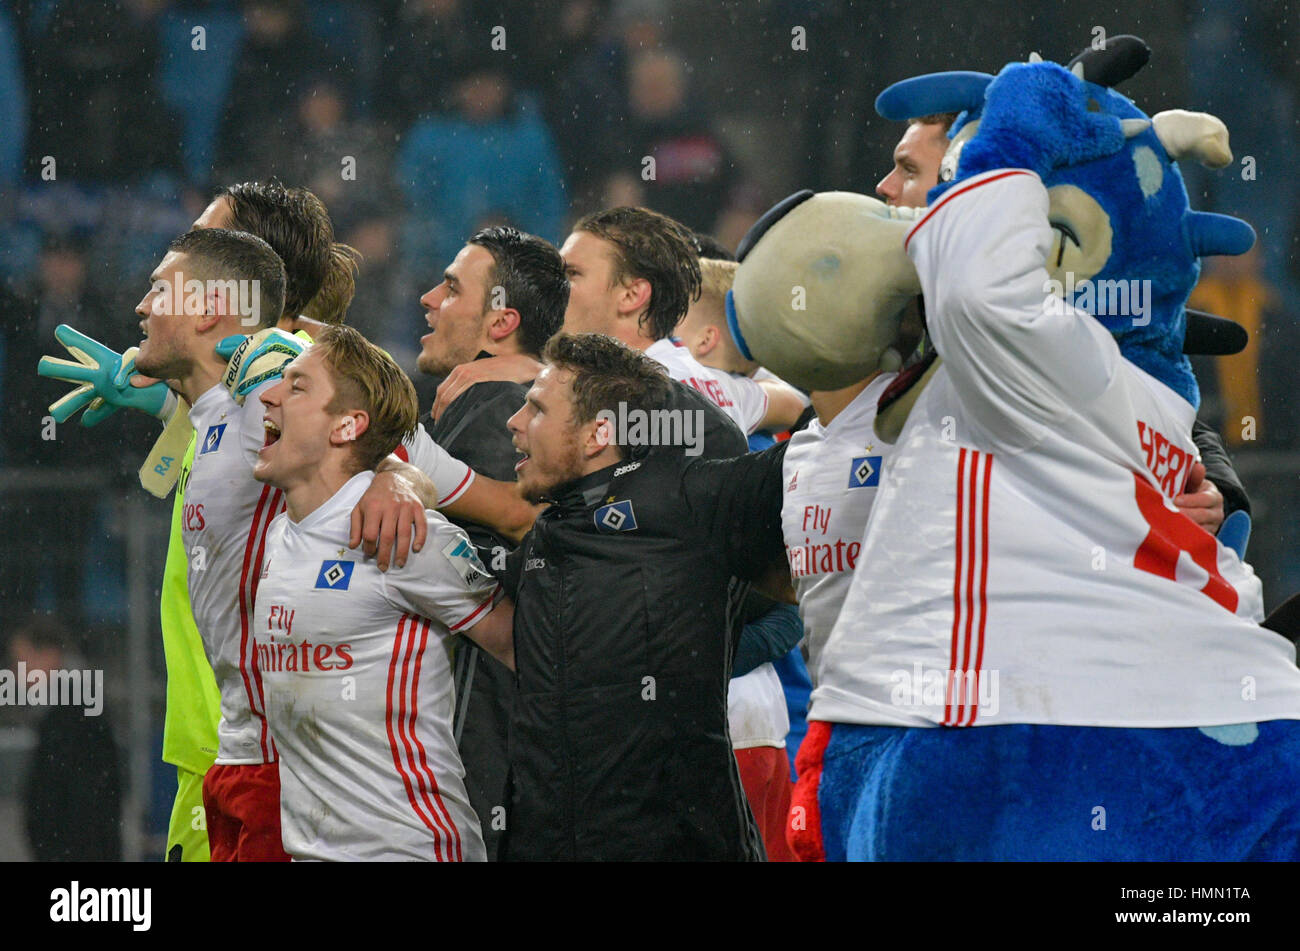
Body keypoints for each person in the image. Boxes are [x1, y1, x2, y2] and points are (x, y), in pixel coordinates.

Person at [876, 112, 1248, 533]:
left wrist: (1215, 491)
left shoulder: (1057, 318)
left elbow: (1166, 418)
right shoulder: (870, 315)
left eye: (909, 171)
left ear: (961, 183)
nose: (884, 187)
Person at [498, 332, 792, 861]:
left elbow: (814, 448)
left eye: (536, 408)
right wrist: (400, 481)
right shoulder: (549, 533)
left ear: (597, 435)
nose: (514, 422)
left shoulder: (694, 498)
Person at [253, 325, 514, 861]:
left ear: (348, 425)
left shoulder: (405, 534)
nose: (269, 394)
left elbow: (524, 652)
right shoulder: (281, 533)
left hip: (408, 848)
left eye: (297, 387)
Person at [415, 224, 567, 858]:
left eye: (451, 288)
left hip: (482, 743)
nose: (428, 298)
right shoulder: (492, 394)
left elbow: (519, 523)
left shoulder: (497, 400)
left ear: (501, 322)